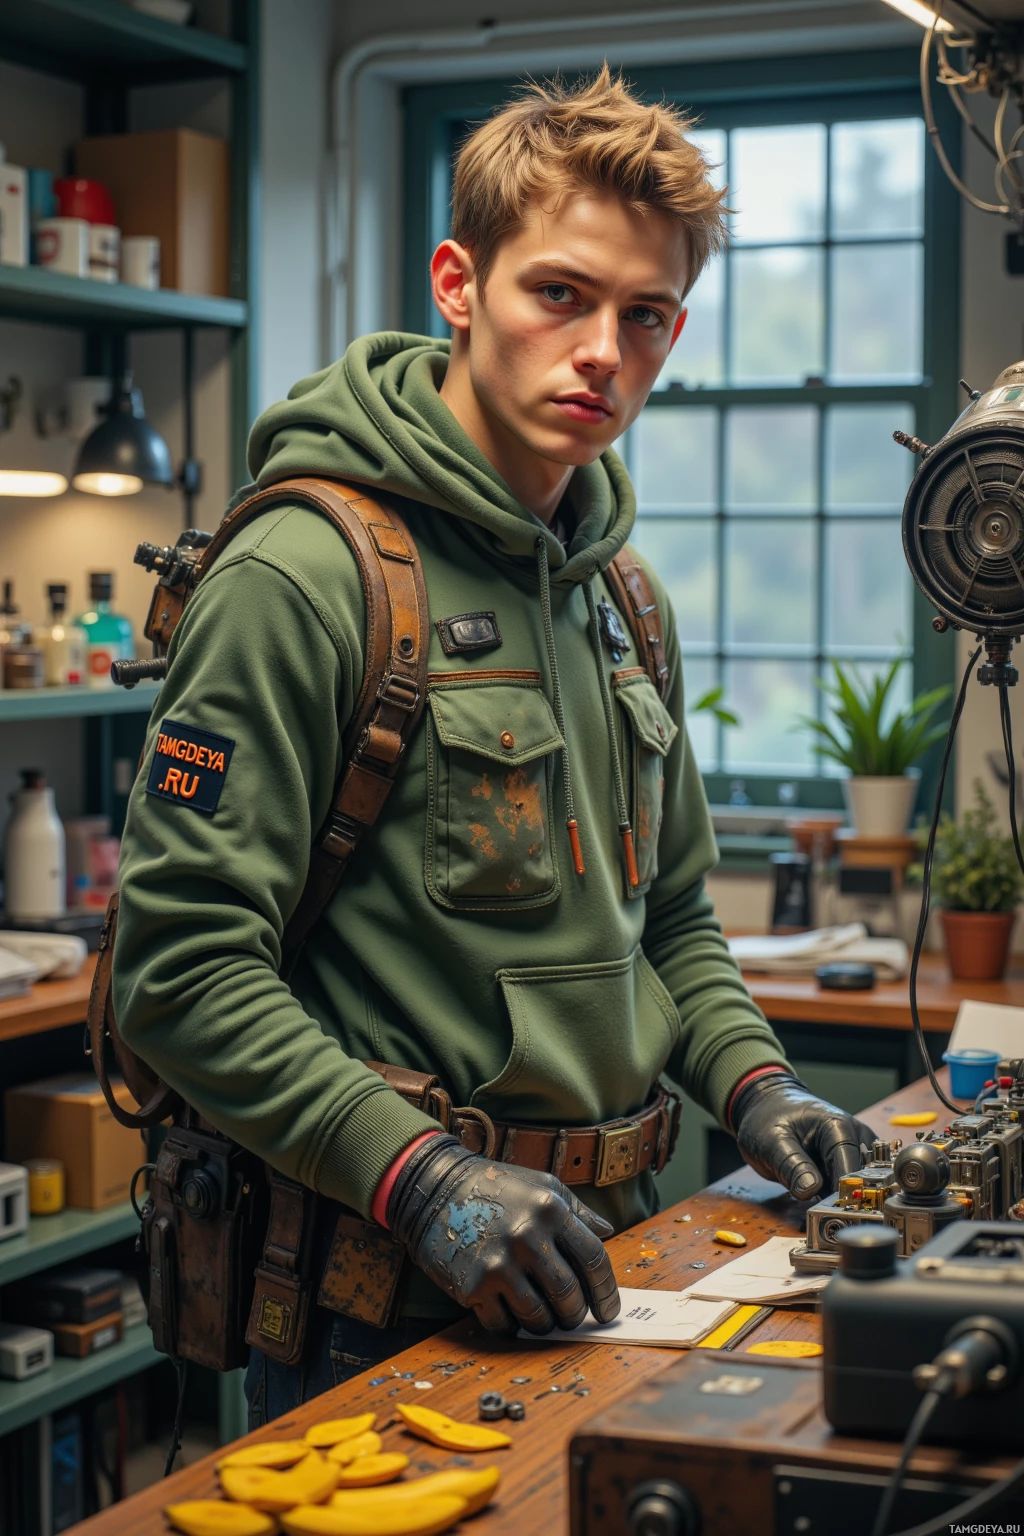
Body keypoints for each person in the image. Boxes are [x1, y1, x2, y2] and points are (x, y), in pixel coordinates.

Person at [113, 67, 875, 1427]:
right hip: (385, 1292)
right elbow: (179, 972)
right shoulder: (308, 573)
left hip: (627, 1256)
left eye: (646, 318)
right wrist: (426, 1180)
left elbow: (675, 916)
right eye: (560, 295)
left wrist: (758, 1086)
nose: (603, 352)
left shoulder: (623, 595)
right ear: (459, 284)